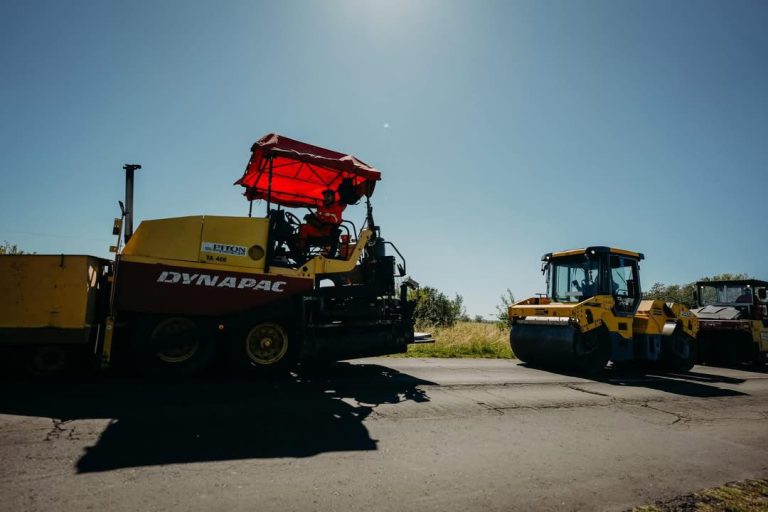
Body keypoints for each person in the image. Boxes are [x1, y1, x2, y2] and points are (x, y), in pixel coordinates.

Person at [295, 189, 346, 255]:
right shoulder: (321, 208)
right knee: (302, 227)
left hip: (328, 233)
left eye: (328, 196)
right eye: (325, 197)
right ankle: (301, 250)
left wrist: (321, 220)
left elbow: (334, 219)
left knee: (304, 229)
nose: (326, 198)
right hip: (319, 230)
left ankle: (300, 252)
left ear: (333, 197)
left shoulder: (338, 206)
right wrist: (310, 217)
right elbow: (317, 215)